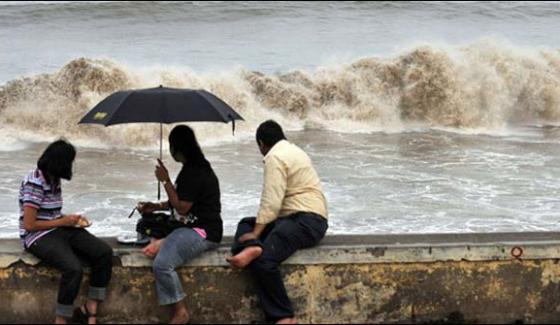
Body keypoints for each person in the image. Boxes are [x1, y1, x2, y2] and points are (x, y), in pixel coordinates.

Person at [226, 120, 329, 324]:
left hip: (307, 221)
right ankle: (252, 248)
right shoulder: (294, 150)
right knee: (246, 223)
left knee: (264, 261)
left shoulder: (274, 156)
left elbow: (271, 200)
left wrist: (257, 233)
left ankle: (283, 316)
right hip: (301, 218)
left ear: (262, 144)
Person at [19, 139, 113, 325]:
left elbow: (51, 213)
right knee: (73, 268)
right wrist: (62, 221)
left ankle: (90, 308)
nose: (71, 166)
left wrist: (70, 221)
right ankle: (61, 319)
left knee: (103, 252)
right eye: (69, 162)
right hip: (37, 235)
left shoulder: (54, 179)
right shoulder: (35, 182)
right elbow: (29, 224)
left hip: (57, 228)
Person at [137, 125, 222, 324]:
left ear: (177, 147)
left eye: (171, 145)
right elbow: (182, 201)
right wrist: (155, 206)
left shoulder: (196, 172)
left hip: (203, 231)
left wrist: (165, 180)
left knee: (162, 265)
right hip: (190, 227)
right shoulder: (191, 169)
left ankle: (181, 312)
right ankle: (164, 242)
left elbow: (182, 208)